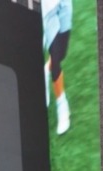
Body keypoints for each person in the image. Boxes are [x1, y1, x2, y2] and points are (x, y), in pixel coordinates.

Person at [44, 0, 73, 135]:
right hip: (47, 11)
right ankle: (62, 104)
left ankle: (46, 69)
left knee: (61, 54)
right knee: (56, 58)